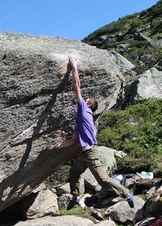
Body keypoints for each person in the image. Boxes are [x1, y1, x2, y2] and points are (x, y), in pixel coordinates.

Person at [55, 55, 134, 209]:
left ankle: (126, 193)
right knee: (74, 173)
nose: (84, 99)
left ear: (89, 105)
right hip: (84, 154)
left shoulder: (85, 111)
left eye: (86, 99)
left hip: (91, 153)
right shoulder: (81, 120)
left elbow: (76, 86)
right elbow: (73, 140)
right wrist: (59, 146)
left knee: (102, 179)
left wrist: (74, 66)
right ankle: (76, 197)